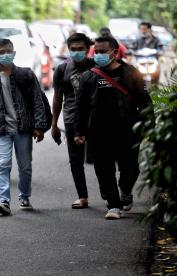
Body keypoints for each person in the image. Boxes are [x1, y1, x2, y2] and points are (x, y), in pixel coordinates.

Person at [74, 36, 152, 220]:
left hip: (128, 131)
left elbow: (145, 103)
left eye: (102, 51)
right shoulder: (89, 76)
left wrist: (150, 128)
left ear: (115, 53)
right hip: (98, 133)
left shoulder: (131, 73)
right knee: (103, 170)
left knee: (131, 168)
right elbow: (81, 107)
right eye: (96, 52)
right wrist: (79, 131)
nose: (98, 55)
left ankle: (125, 189)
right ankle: (114, 205)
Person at [0, 38, 48, 215]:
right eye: (1, 52)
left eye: (8, 51)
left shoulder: (26, 75)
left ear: (14, 53)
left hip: (23, 128)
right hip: (1, 129)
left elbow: (38, 101)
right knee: (3, 164)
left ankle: (24, 196)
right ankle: (3, 200)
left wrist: (40, 125)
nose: (6, 55)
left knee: (25, 166)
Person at [52, 33, 95, 209]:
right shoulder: (62, 69)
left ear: (87, 49)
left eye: (80, 49)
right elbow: (57, 98)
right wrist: (54, 124)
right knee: (75, 160)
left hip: (94, 120)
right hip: (70, 119)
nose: (76, 52)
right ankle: (82, 197)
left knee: (101, 158)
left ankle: (110, 194)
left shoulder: (96, 66)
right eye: (73, 49)